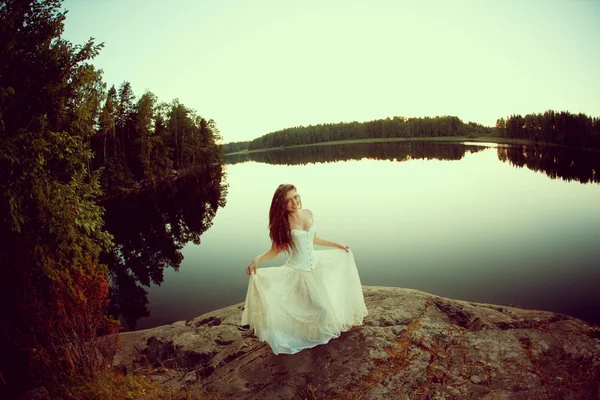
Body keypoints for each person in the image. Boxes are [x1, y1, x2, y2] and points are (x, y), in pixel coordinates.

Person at [241, 183, 368, 355]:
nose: (294, 202)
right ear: (281, 205)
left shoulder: (308, 213)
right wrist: (258, 259)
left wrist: (337, 245)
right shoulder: (283, 223)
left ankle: (317, 334)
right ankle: (309, 337)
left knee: (322, 306)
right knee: (320, 308)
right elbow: (276, 250)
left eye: (296, 196)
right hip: (298, 272)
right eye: (288, 200)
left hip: (315, 267)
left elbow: (314, 239)